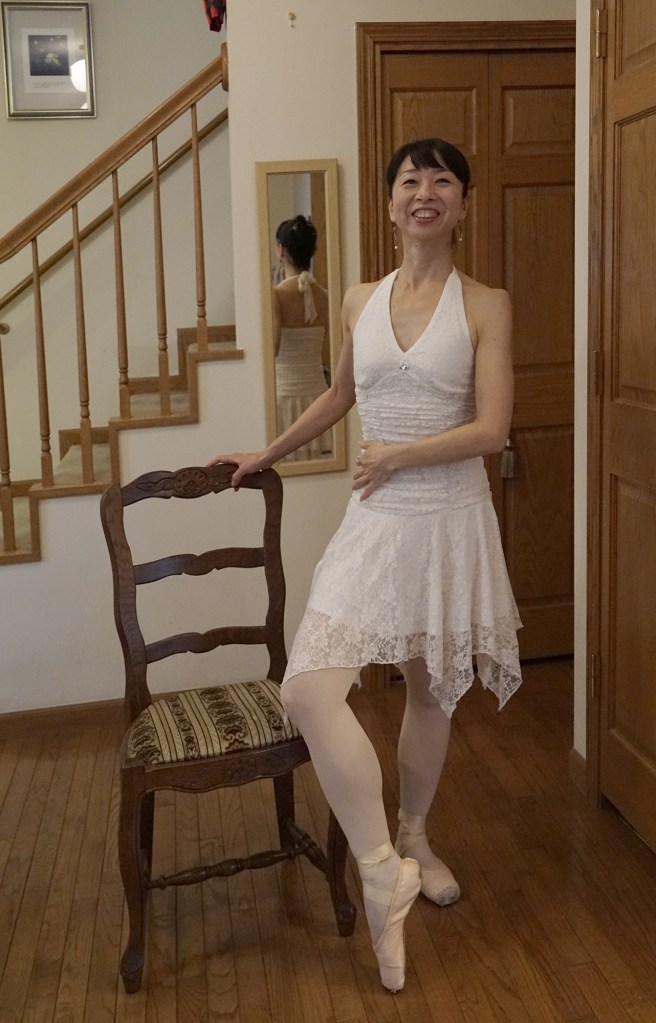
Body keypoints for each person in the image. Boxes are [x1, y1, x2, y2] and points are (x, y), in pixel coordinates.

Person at [207, 138, 522, 994]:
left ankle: (416, 833)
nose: (425, 192)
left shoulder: (486, 303)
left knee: (429, 690)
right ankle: (384, 870)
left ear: (462, 204)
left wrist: (400, 455)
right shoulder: (357, 298)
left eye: (443, 180)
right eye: (410, 180)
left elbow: (493, 430)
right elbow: (340, 395)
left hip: (449, 520)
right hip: (376, 521)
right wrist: (265, 451)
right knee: (311, 688)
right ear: (389, 205)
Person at [272, 215, 332, 461]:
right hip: (319, 394)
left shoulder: (276, 295)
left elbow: (272, 348)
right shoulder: (326, 295)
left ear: (281, 251)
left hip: (285, 395)